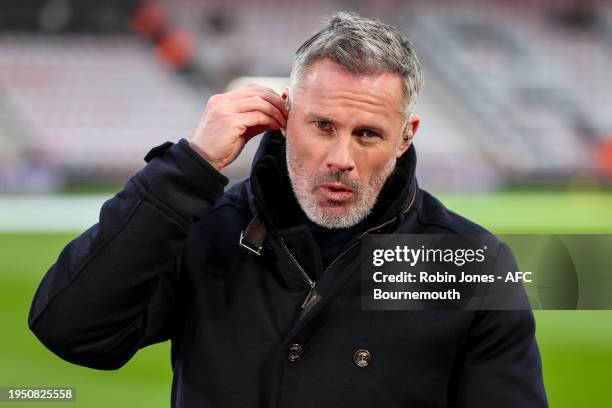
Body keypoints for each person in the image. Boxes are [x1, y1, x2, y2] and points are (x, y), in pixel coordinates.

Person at [28, 12, 548, 408]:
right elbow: (71, 330)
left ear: (404, 139)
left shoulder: (470, 263)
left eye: (367, 134)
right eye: (322, 126)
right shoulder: (205, 228)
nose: (340, 159)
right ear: (283, 117)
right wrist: (187, 170)